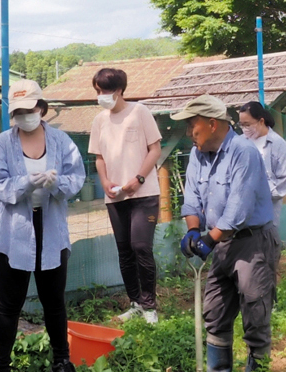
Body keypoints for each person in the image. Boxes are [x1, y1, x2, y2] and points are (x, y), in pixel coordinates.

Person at [174, 95, 281, 371]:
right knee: (215, 312)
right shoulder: (198, 154)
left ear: (211, 124)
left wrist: (210, 238)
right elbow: (192, 197)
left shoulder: (243, 152)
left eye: (191, 125)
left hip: (252, 242)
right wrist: (193, 230)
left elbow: (239, 207)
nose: (188, 132)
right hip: (223, 243)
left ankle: (258, 365)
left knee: (255, 314)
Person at [0, 79, 85, 372]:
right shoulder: (2, 143)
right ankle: (2, 365)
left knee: (54, 301)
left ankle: (61, 360)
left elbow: (76, 179)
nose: (23, 117)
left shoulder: (61, 141)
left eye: (28, 110)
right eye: (17, 113)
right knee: (9, 304)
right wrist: (25, 182)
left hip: (52, 227)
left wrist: (57, 184)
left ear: (41, 108)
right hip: (14, 231)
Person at [88, 68, 162, 324]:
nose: (101, 96)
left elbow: (155, 149)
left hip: (144, 193)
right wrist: (106, 182)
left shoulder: (139, 111)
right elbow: (99, 157)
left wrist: (138, 179)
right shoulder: (99, 120)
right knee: (125, 251)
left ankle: (150, 305)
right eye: (97, 91)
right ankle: (135, 303)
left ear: (119, 90)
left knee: (141, 247)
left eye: (105, 90)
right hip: (116, 196)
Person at [239, 101, 286, 227]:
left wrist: (261, 193)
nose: (244, 129)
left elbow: (283, 180)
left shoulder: (278, 144)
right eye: (241, 125)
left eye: (247, 125)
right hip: (242, 208)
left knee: (265, 240)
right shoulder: (240, 142)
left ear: (261, 121)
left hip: (268, 209)